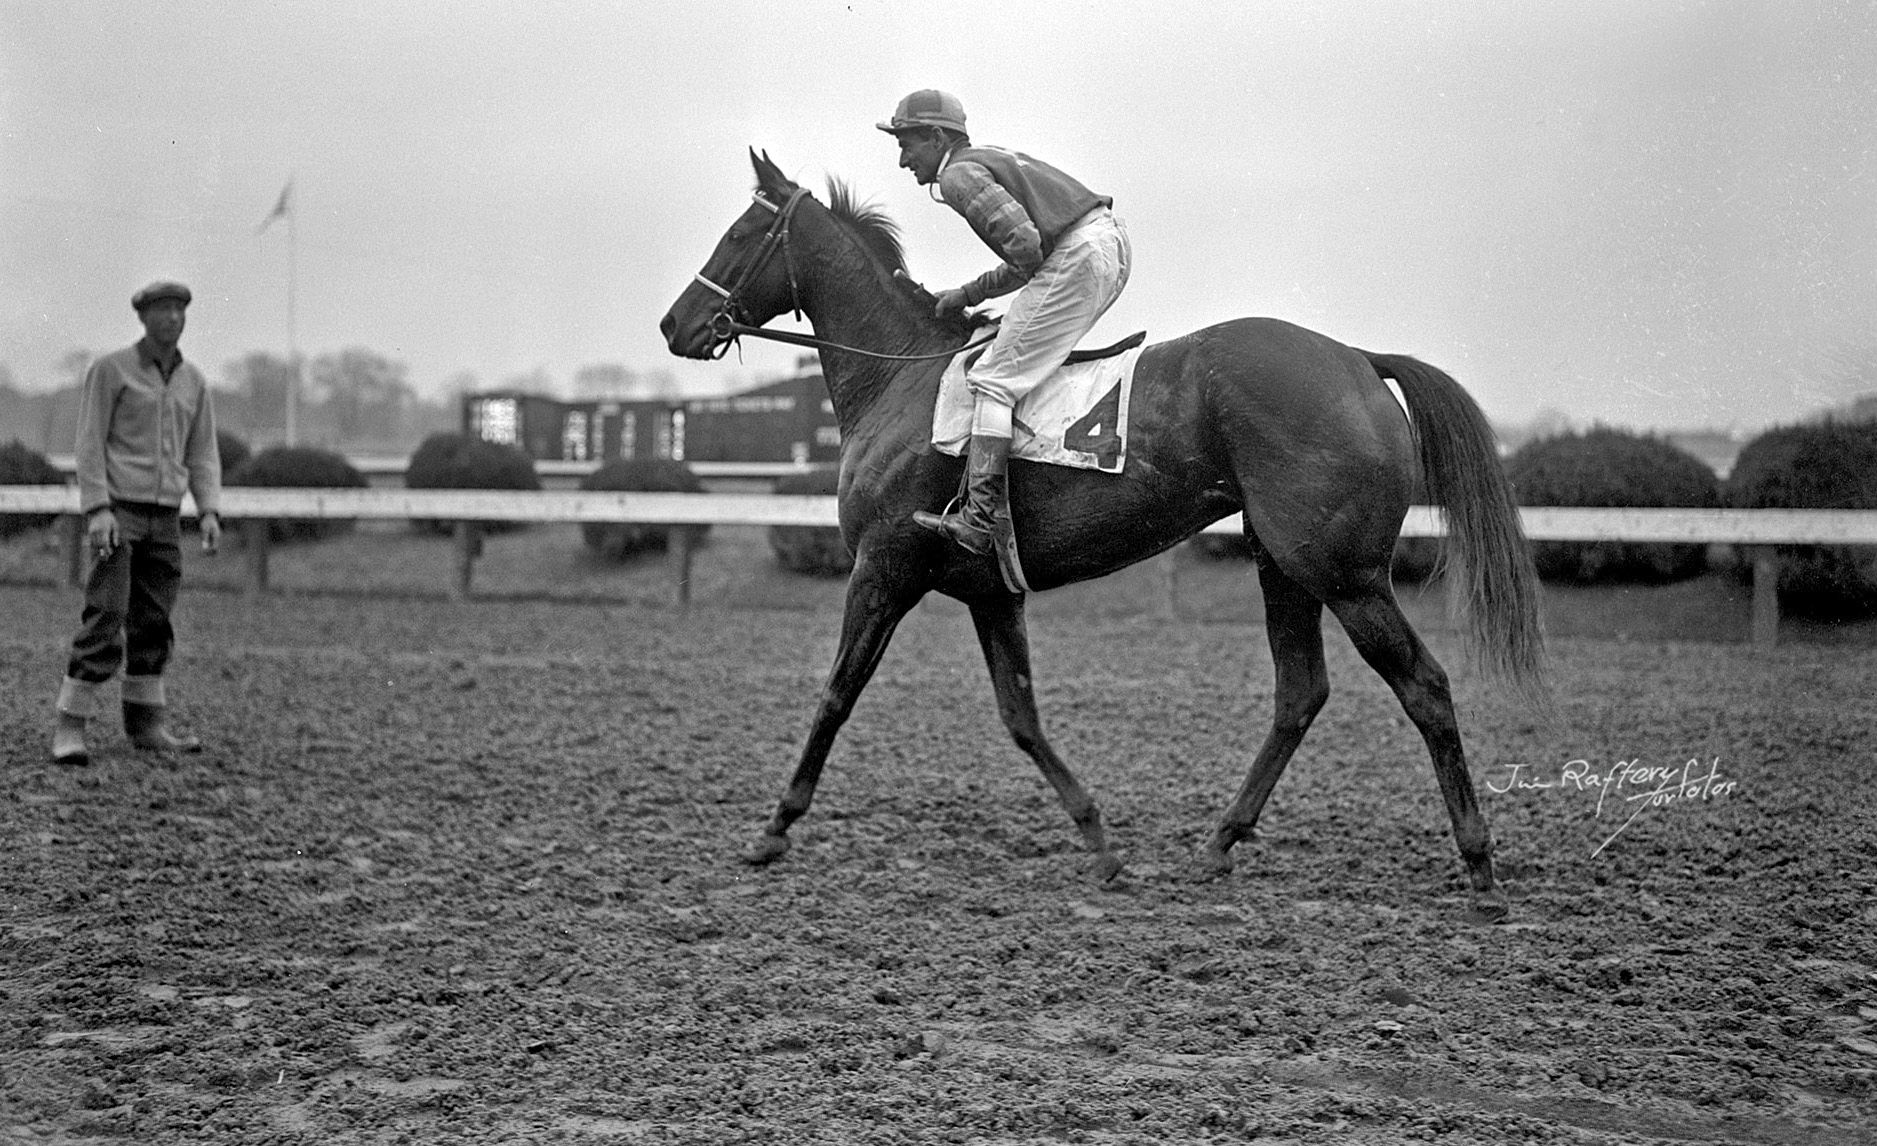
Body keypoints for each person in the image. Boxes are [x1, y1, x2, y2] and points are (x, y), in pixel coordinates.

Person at [878, 89, 1132, 555]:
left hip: (1079, 252)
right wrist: (965, 295)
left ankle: (979, 517)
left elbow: (1025, 247)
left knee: (992, 379)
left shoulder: (957, 175)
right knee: (1020, 362)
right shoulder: (982, 159)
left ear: (936, 137)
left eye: (906, 143)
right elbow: (1028, 250)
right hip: (1106, 245)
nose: (902, 160)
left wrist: (971, 292)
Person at [51, 280, 223, 766]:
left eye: (179, 310)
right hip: (118, 512)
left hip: (165, 517)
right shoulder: (112, 371)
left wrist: (208, 509)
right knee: (106, 612)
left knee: (154, 618)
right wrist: (99, 508)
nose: (172, 318)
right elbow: (89, 443)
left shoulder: (194, 382)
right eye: (162, 310)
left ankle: (147, 724)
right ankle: (70, 725)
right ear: (143, 317)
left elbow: (202, 452)